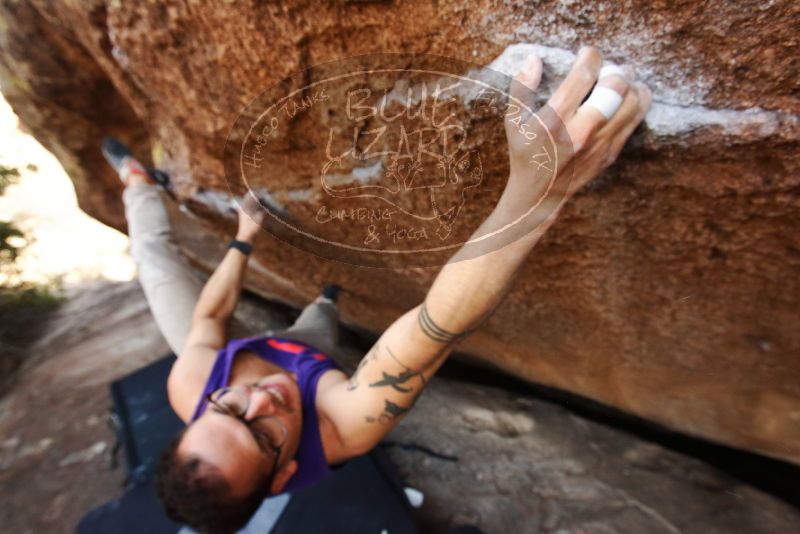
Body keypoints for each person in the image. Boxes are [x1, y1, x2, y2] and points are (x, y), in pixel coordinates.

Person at [104, 46, 651, 534]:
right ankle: (325, 302)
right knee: (319, 328)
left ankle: (138, 185)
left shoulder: (194, 384)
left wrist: (243, 242)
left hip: (230, 349)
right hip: (312, 363)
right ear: (285, 473)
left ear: (204, 410)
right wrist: (535, 196)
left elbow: (211, 314)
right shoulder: (345, 429)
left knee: (153, 264)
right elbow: (431, 331)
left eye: (229, 409)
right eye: (267, 436)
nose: (262, 398)